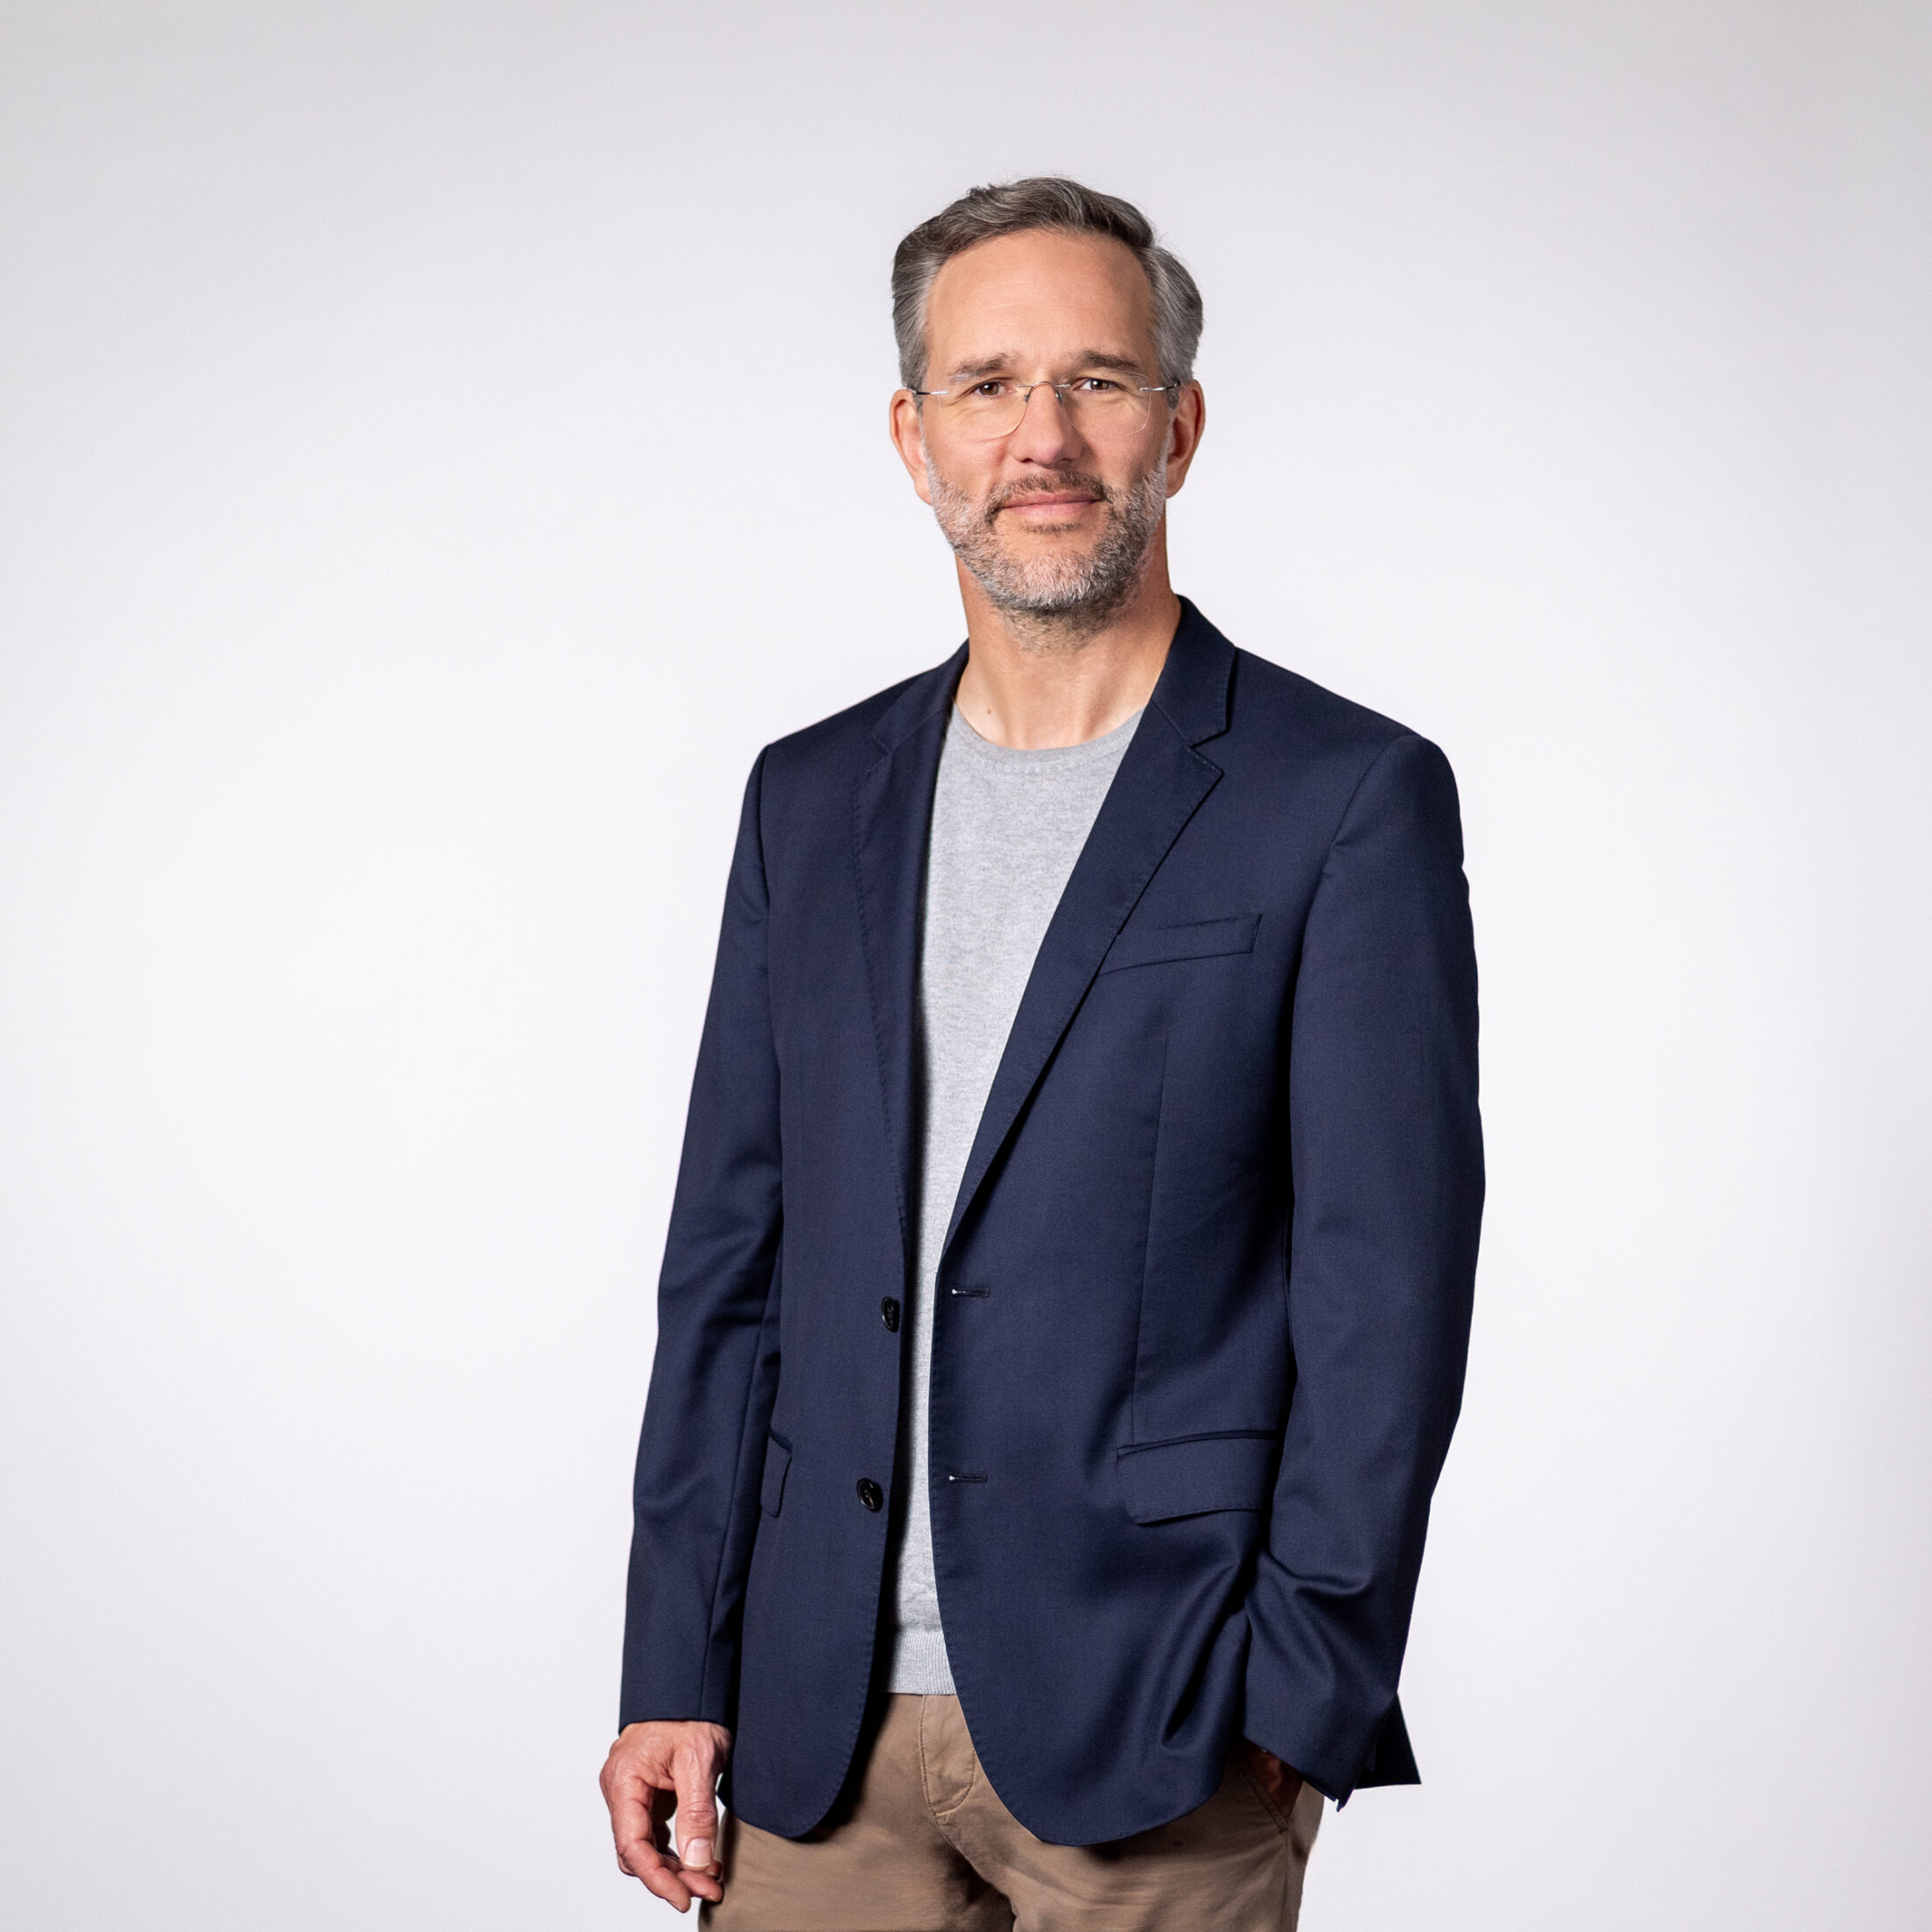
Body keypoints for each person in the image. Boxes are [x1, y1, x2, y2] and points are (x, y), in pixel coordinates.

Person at [598, 177, 1483, 1929]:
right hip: (808, 1728)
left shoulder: (1341, 796)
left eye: (1097, 379)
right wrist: (672, 1660)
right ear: (913, 437)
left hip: (1165, 1723)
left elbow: (1384, 1285)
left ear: (1180, 424)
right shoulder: (808, 799)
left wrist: (1299, 1686)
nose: (1044, 436)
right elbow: (731, 1266)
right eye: (989, 384)